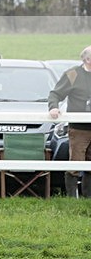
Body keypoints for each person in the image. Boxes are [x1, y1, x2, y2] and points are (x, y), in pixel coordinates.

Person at [48, 45, 91, 198]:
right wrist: (53, 108)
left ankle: (88, 199)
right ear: (87, 59)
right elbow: (55, 94)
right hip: (79, 129)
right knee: (75, 164)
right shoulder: (73, 74)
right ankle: (71, 199)